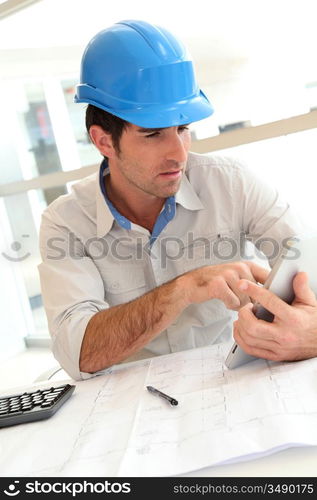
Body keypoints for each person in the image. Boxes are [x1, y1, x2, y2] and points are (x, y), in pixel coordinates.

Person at [38, 20, 317, 381]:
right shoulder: (65, 223)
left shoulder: (232, 183)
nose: (178, 153)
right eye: (153, 133)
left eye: (182, 128)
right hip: (133, 402)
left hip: (234, 383)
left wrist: (309, 334)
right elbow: (79, 354)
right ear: (104, 141)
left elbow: (310, 276)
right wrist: (183, 289)